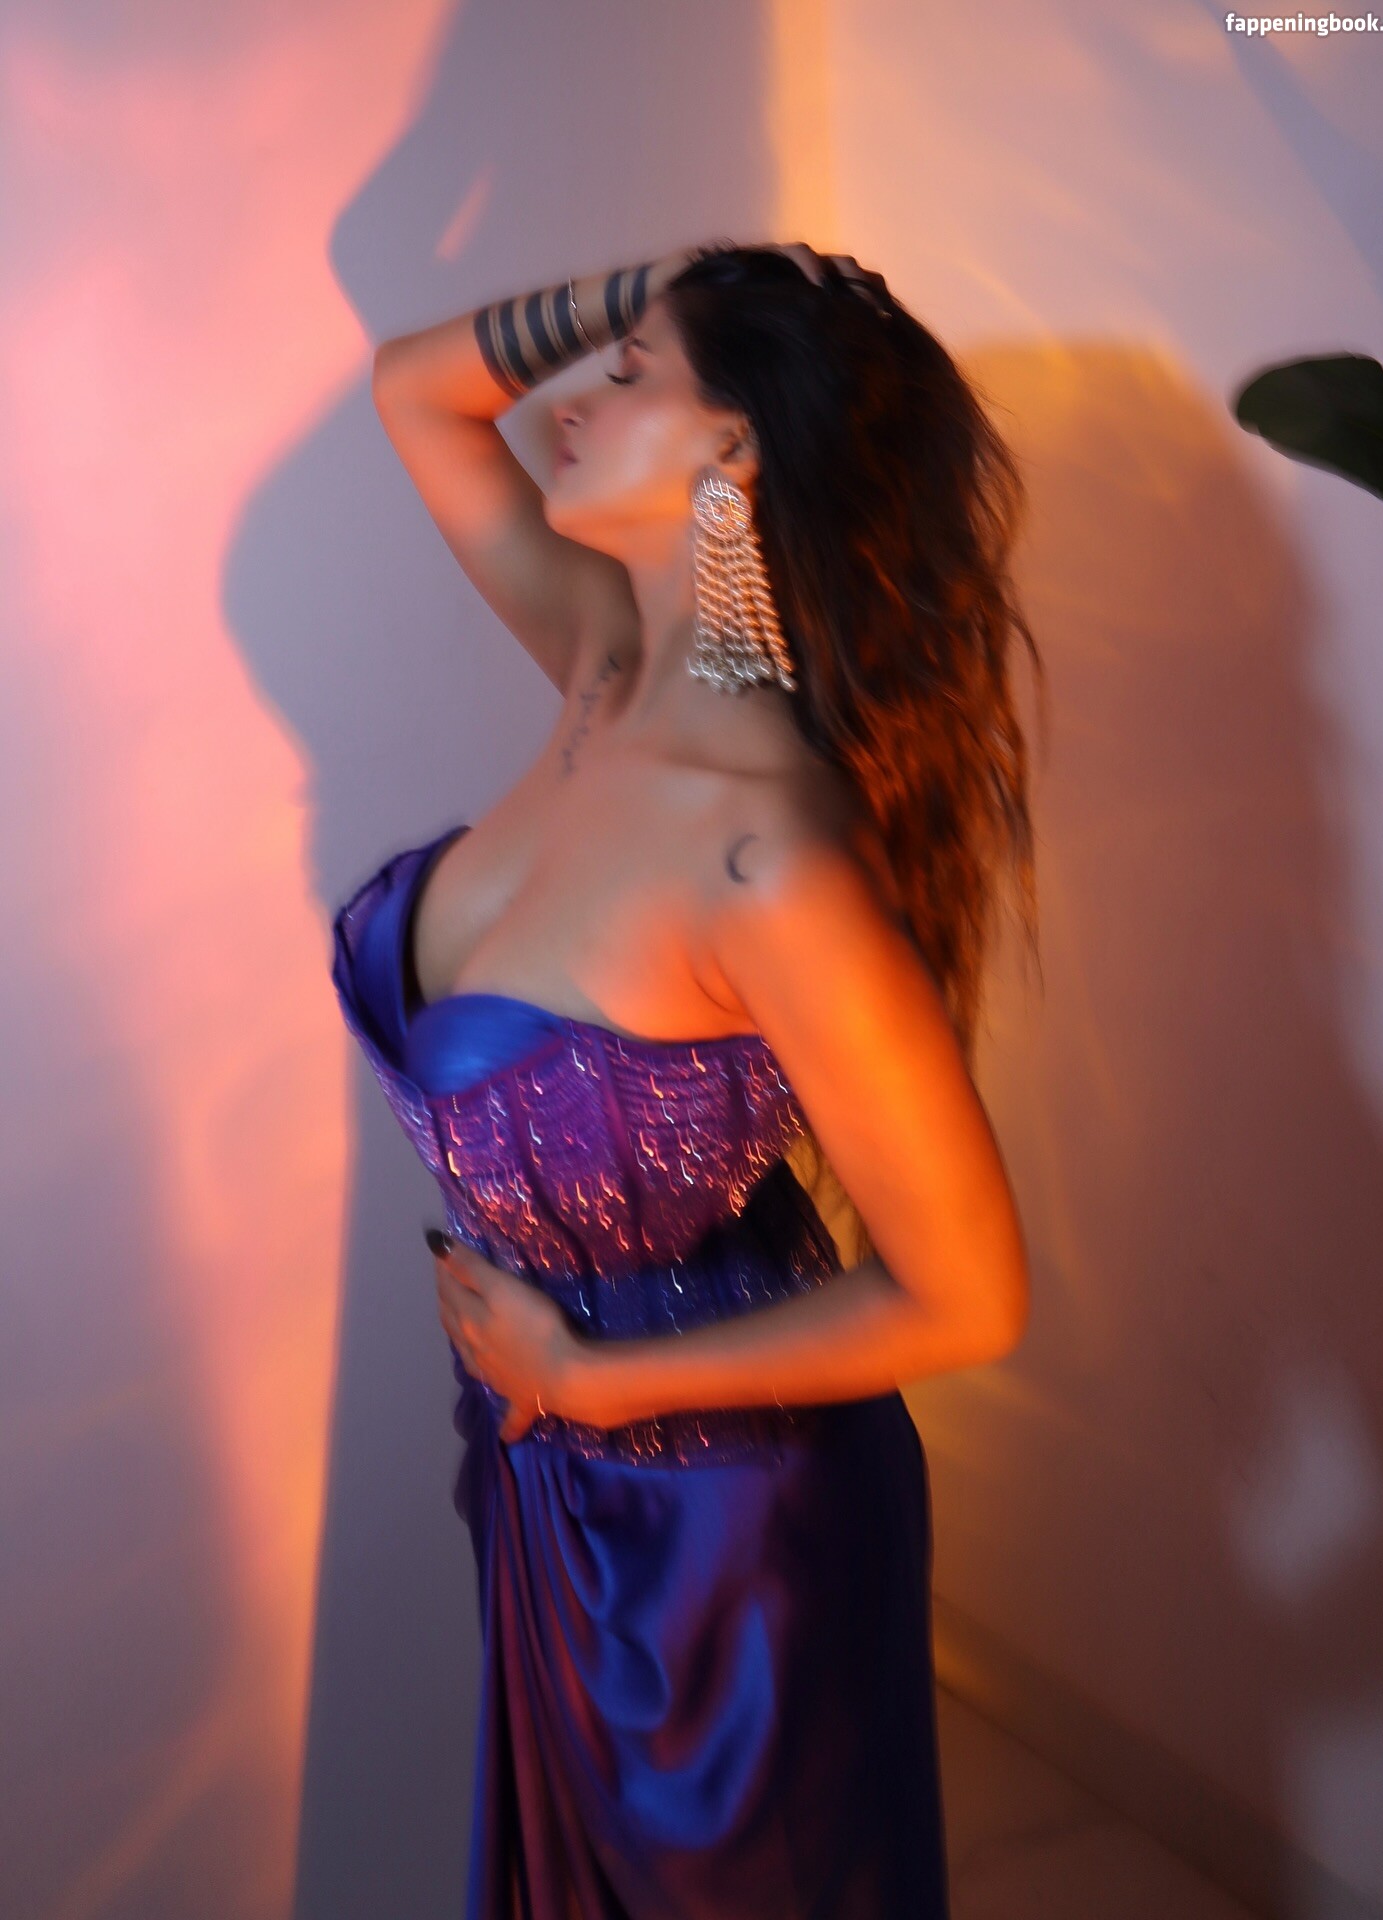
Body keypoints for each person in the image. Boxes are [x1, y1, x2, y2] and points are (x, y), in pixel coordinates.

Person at [330, 238, 1043, 1918]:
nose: (569, 404)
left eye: (630, 374)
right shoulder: (607, 655)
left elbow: (972, 1296)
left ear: (736, 449)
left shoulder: (764, 853)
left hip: (726, 1536)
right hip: (552, 1463)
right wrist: (674, 284)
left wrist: (590, 1384)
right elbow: (415, 390)